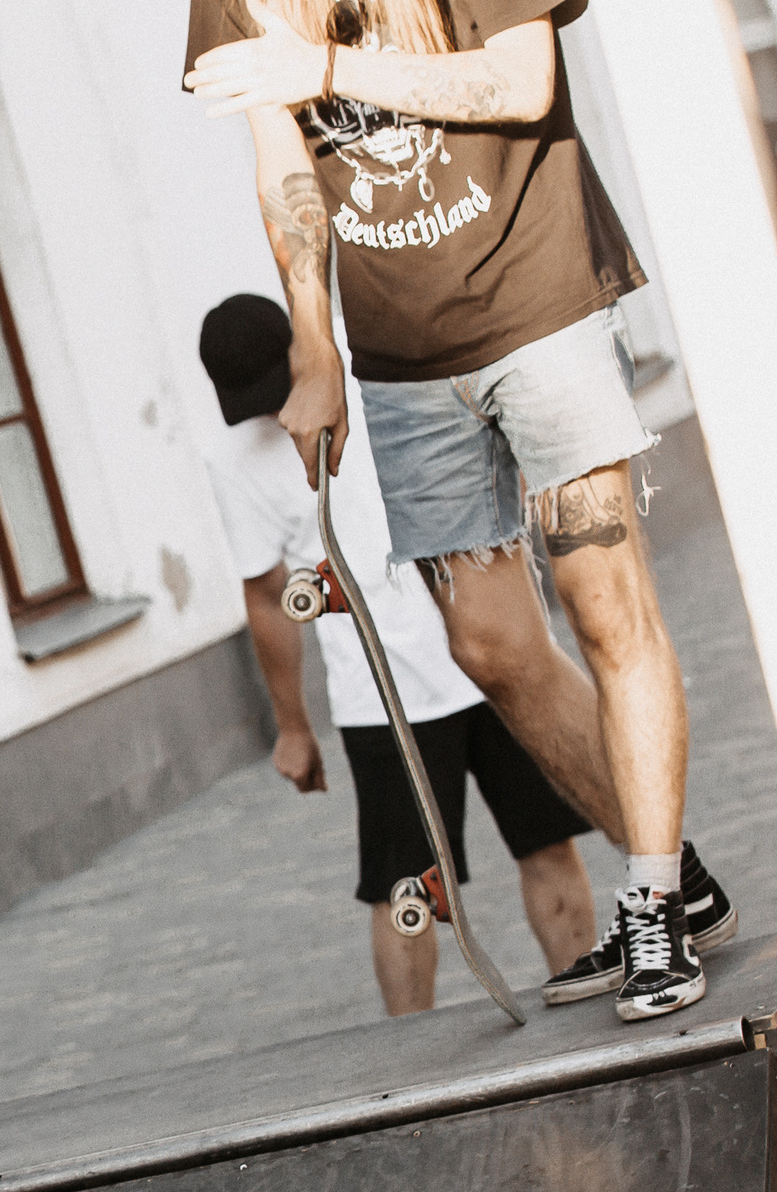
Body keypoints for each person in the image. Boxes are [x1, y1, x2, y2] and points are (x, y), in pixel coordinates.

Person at [183, 1, 738, 1021]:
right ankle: (678, 874)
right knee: (487, 646)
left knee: (605, 606)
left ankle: (654, 899)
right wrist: (314, 344)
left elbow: (521, 82)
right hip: (402, 358)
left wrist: (322, 69)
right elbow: (281, 159)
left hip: (541, 304)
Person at [199, 294, 596, 1014]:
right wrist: (292, 726)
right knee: (404, 892)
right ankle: (410, 1058)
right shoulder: (232, 460)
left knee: (548, 844)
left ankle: (594, 1007)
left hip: (497, 651)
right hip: (380, 697)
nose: (271, 413)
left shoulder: (378, 352)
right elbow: (265, 597)